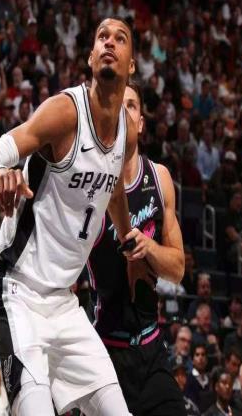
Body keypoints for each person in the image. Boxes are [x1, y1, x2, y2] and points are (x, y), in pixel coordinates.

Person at [0, 17, 142, 415]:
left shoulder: (127, 132)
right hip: (15, 290)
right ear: (91, 57)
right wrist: (0, 175)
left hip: (64, 303)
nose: (109, 42)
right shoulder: (65, 113)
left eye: (120, 38)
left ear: (131, 64)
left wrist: (126, 234)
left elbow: (114, 187)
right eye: (102, 37)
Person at [86, 82, 185, 415]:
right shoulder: (91, 187)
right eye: (118, 105)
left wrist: (149, 248)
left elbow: (178, 269)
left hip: (151, 345)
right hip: (106, 350)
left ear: (141, 122)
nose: (124, 111)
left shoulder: (160, 178)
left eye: (131, 105)